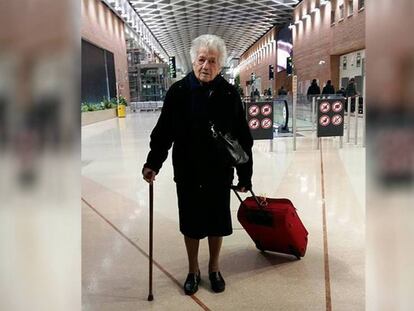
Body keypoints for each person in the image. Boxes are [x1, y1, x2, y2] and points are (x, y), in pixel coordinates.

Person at [142, 34, 253, 295]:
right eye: (202, 59)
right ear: (193, 60)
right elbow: (163, 133)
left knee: (217, 222)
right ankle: (193, 270)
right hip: (188, 171)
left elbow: (242, 139)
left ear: (220, 64)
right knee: (191, 224)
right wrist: (152, 163)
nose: (206, 66)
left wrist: (245, 175)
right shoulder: (178, 93)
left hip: (218, 172)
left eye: (212, 61)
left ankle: (214, 268)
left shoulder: (228, 94)